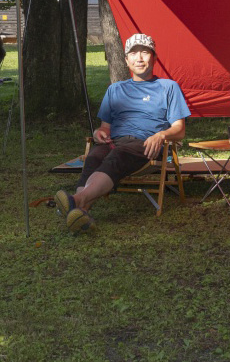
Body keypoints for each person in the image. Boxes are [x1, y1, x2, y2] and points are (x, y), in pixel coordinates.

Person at [55, 32, 189, 233]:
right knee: (94, 157)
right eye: (134, 53)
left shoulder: (168, 87)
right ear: (126, 60)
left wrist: (161, 135)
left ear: (155, 58)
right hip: (115, 141)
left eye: (145, 52)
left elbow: (179, 130)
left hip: (147, 144)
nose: (139, 58)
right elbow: (105, 127)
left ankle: (76, 200)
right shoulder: (115, 89)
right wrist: (99, 132)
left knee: (118, 155)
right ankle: (81, 212)